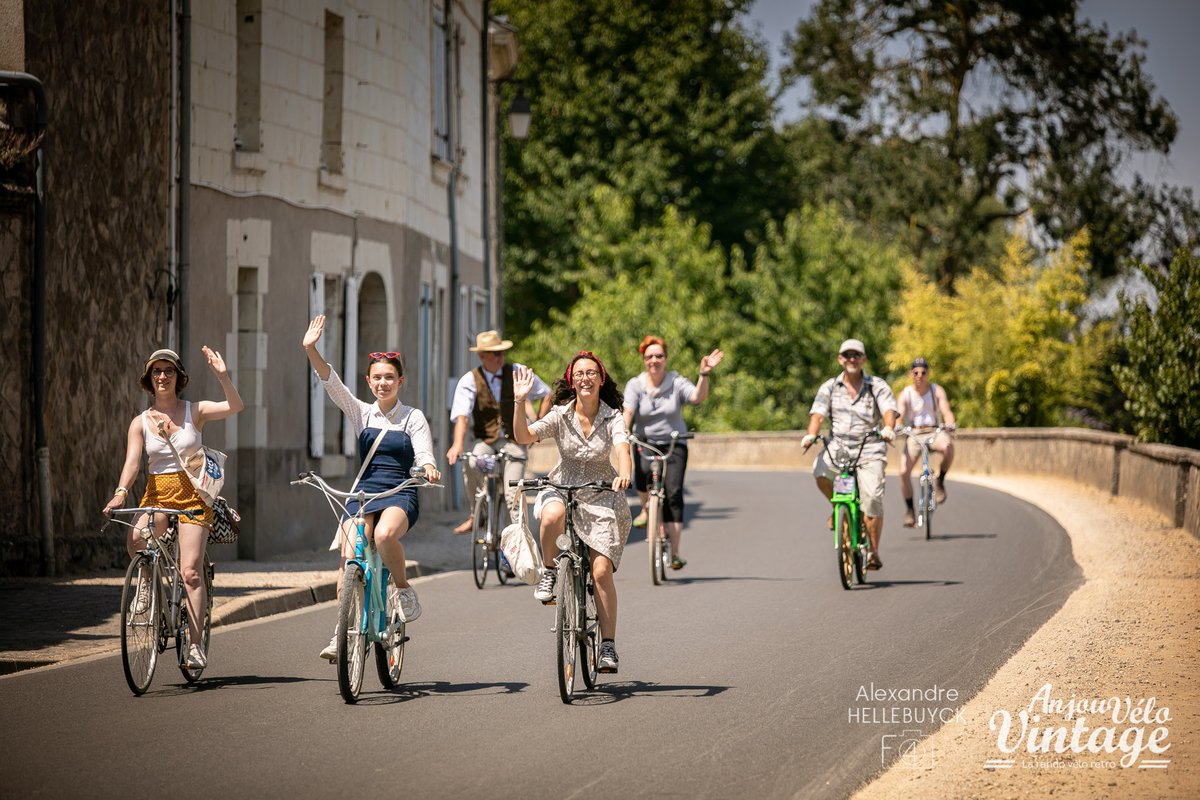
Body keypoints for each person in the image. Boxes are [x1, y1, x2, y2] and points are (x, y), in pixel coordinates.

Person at [302, 315, 441, 662]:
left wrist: (428, 467)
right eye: (377, 378)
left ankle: (404, 590)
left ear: (400, 381)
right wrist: (310, 348)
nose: (383, 383)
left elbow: (424, 451)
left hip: (401, 490)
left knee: (383, 536)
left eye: (389, 378)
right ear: (369, 381)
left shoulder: (413, 417)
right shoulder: (362, 413)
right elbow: (331, 383)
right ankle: (342, 633)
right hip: (364, 491)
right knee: (349, 555)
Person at [103, 346, 244, 669]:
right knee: (137, 539)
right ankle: (147, 584)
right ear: (148, 380)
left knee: (191, 572)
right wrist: (121, 492)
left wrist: (223, 376)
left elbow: (236, 405)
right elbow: (133, 463)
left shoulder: (195, 411)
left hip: (193, 498)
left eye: (168, 371)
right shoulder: (140, 422)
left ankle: (194, 647)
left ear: (179, 378)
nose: (162, 376)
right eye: (156, 372)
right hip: (157, 496)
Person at [511, 352, 632, 673]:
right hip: (562, 484)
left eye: (591, 373)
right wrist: (519, 402)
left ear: (601, 379)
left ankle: (608, 645)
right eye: (579, 374)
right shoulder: (560, 415)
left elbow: (622, 448)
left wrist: (624, 472)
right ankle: (550, 571)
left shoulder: (612, 416)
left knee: (601, 571)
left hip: (601, 492)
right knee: (551, 516)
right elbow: (524, 437)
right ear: (572, 380)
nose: (585, 379)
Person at [622, 335, 723, 570]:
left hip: (674, 443)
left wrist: (704, 374)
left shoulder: (675, 381)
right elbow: (628, 411)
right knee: (642, 476)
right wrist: (624, 433)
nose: (654, 360)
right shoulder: (636, 384)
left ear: (665, 359)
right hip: (645, 441)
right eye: (649, 357)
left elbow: (697, 397)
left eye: (659, 356)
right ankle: (647, 510)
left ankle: (675, 552)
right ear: (643, 359)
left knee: (674, 493)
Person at [800, 338, 897, 570]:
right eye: (847, 355)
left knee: (872, 497)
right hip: (840, 447)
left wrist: (888, 428)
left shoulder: (877, 385)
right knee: (820, 470)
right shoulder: (830, 387)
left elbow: (889, 410)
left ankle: (873, 552)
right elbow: (818, 414)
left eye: (856, 355)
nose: (851, 359)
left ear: (863, 359)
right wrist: (811, 435)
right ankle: (837, 508)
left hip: (870, 447)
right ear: (840, 359)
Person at [446, 330, 551, 535]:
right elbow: (462, 416)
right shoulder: (470, 380)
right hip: (486, 439)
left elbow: (547, 394)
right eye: (495, 353)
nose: (501, 357)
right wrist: (457, 445)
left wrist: (537, 426)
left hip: (514, 439)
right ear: (482, 356)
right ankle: (478, 513)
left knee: (513, 493)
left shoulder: (517, 371)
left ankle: (519, 542)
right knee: (471, 460)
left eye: (502, 352)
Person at [897, 357, 957, 526]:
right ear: (911, 374)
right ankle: (909, 510)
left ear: (928, 373)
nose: (919, 376)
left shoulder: (936, 390)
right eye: (916, 372)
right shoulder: (906, 393)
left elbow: (946, 410)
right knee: (903, 472)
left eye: (923, 372)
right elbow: (899, 414)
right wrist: (897, 426)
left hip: (934, 431)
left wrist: (950, 423)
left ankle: (940, 481)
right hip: (914, 433)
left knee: (948, 447)